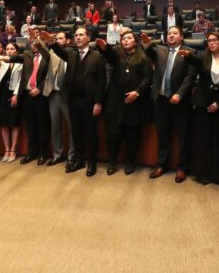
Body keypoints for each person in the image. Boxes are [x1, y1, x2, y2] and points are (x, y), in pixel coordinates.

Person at [179, 30, 219, 187]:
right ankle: (204, 174)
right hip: (203, 103)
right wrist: (187, 54)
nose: (212, 42)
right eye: (209, 40)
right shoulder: (204, 58)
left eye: (215, 40)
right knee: (203, 140)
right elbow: (194, 59)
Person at [44, 28, 105, 177]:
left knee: (90, 133)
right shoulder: (71, 54)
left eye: (81, 35)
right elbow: (59, 51)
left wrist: (98, 102)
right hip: (73, 99)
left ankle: (92, 163)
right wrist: (51, 42)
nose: (78, 37)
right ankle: (79, 160)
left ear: (88, 38)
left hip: (89, 101)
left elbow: (101, 82)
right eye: (76, 35)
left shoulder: (97, 56)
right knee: (76, 132)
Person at [141, 27, 197, 182]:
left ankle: (182, 168)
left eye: (174, 33)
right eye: (169, 33)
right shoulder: (160, 50)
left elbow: (190, 76)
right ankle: (161, 165)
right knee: (162, 135)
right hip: (160, 100)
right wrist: (146, 44)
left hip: (180, 101)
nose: (171, 35)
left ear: (181, 37)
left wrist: (179, 94)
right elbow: (149, 52)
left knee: (183, 136)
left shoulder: (189, 51)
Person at [96, 31, 152, 175]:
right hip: (115, 100)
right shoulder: (116, 52)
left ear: (135, 41)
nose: (125, 40)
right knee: (112, 134)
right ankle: (112, 162)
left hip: (134, 101)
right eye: (123, 38)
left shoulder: (143, 57)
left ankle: (130, 162)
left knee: (132, 135)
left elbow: (147, 78)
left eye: (129, 38)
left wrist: (137, 92)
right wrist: (105, 48)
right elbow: (109, 56)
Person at [0, 29, 51, 166]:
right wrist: (2, 57)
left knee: (42, 125)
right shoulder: (27, 54)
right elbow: (15, 57)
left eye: (36, 41)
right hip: (27, 96)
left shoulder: (48, 55)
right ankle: (31, 152)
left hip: (41, 95)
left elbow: (48, 77)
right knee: (30, 126)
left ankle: (42, 154)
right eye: (32, 41)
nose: (33, 44)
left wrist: (39, 88)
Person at [39, 32, 73, 166]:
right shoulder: (52, 53)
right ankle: (57, 154)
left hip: (68, 95)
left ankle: (72, 156)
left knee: (72, 127)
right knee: (55, 127)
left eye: (61, 38)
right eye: (56, 38)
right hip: (54, 93)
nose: (58, 40)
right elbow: (42, 50)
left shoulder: (73, 53)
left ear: (68, 41)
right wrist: (36, 40)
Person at [0, 42, 22, 163]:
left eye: (12, 49)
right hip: (2, 95)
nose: (9, 51)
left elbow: (22, 81)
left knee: (14, 123)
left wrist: (16, 94)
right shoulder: (3, 63)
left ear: (17, 51)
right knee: (3, 123)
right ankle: (6, 149)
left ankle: (13, 149)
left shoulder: (21, 63)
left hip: (14, 95)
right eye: (7, 49)